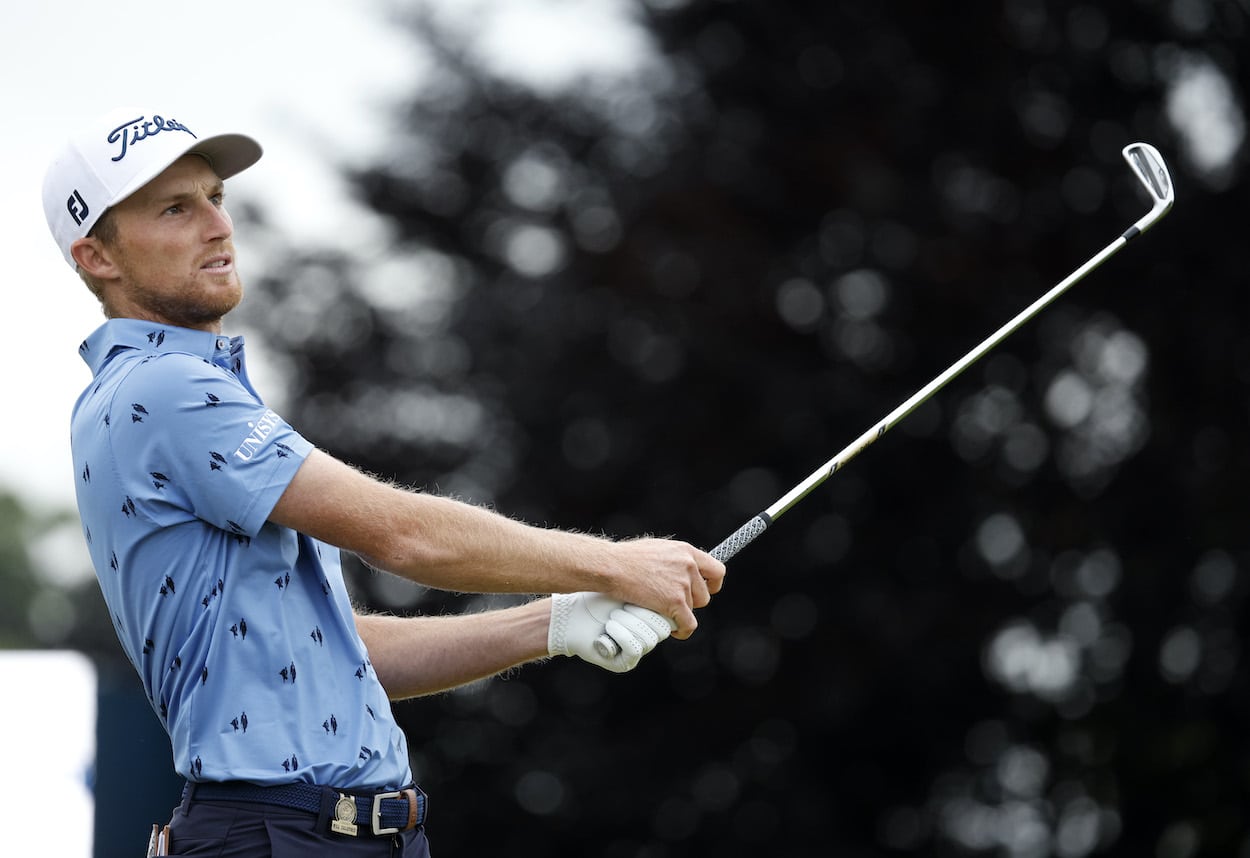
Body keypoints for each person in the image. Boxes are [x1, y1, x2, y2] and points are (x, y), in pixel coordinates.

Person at [43, 106, 726, 856]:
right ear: (97, 257)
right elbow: (402, 536)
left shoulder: (169, 391)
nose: (217, 225)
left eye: (216, 197)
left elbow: (341, 649)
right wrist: (617, 561)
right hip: (283, 836)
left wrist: (555, 622)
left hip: (334, 835)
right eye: (175, 208)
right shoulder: (164, 388)